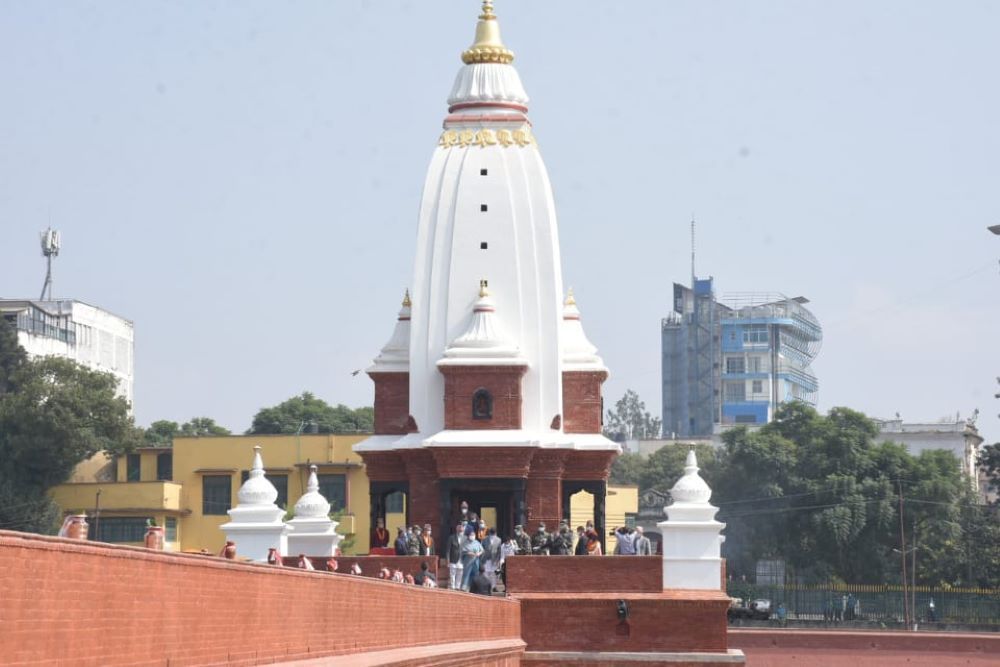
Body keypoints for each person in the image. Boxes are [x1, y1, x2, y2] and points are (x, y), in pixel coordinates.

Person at [460, 524, 484, 591]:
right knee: (466, 574)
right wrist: (471, 553)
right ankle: (464, 588)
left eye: (473, 535)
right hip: (468, 562)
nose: (472, 536)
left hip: (476, 562)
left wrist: (479, 553)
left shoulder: (477, 542)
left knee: (475, 574)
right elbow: (463, 551)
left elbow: (482, 550)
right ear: (468, 536)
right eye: (471, 535)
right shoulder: (465, 543)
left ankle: (475, 587)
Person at [447, 522, 464, 590]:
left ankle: (457, 587)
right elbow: (448, 550)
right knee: (452, 574)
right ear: (456, 529)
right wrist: (448, 560)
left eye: (461, 528)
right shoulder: (451, 538)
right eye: (459, 528)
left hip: (462, 560)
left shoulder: (465, 538)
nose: (460, 529)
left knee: (460, 574)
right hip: (453, 559)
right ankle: (453, 587)